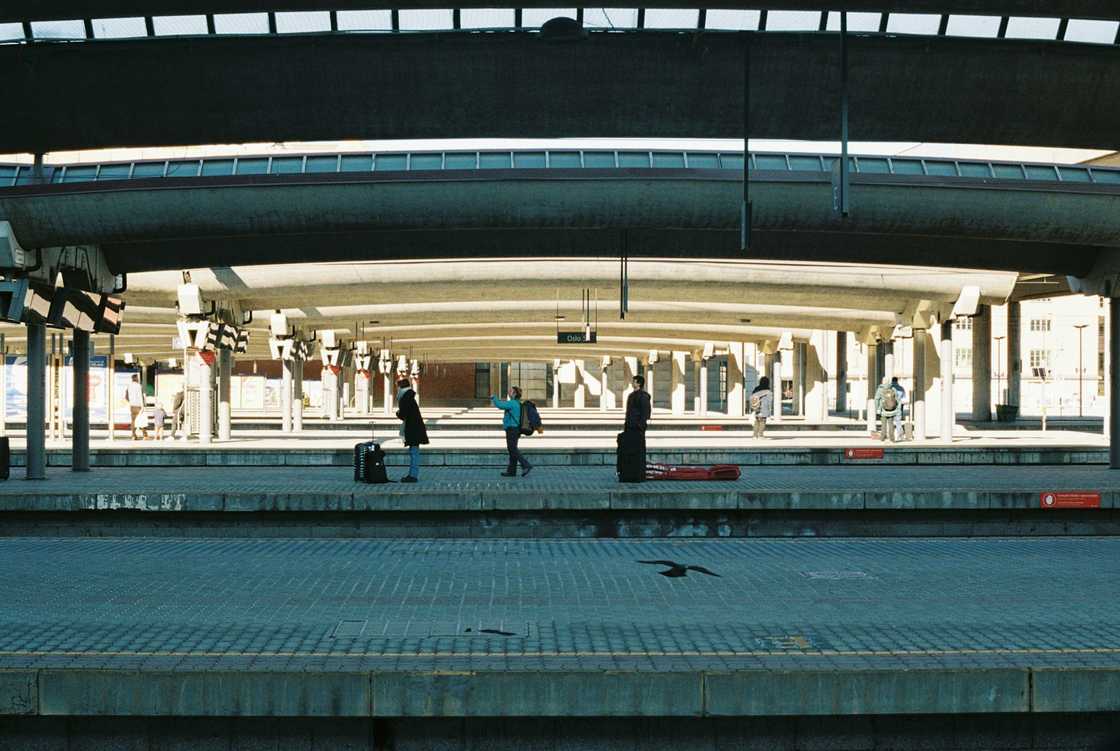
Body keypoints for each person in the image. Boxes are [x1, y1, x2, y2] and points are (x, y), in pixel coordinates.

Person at [492, 386, 532, 477]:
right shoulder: (518, 403)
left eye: (510, 391)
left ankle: (526, 465)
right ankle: (511, 471)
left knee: (512, 449)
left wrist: (494, 397)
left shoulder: (512, 403)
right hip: (516, 429)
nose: (509, 392)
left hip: (512, 429)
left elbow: (500, 405)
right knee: (512, 450)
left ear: (514, 394)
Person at [395, 377, 428, 483]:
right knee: (414, 452)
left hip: (413, 429)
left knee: (414, 453)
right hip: (415, 428)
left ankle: (413, 476)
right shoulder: (409, 396)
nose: (397, 390)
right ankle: (412, 474)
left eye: (397, 387)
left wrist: (398, 413)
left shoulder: (404, 397)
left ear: (400, 387)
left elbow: (403, 414)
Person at [874, 376, 901, 443]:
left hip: (883, 410)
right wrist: (897, 408)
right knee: (891, 424)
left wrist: (877, 408)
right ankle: (892, 439)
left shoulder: (880, 389)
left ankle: (882, 438)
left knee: (883, 424)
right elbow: (897, 399)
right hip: (892, 410)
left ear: (883, 381)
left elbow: (876, 399)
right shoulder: (893, 388)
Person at [125, 375, 147, 440]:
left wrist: (130, 401)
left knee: (133, 420)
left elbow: (126, 396)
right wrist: (143, 406)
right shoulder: (139, 386)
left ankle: (133, 435)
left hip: (132, 406)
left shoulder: (129, 386)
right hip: (138, 405)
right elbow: (140, 396)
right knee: (142, 419)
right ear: (137, 379)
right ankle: (145, 435)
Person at [890, 376, 907, 441]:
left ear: (892, 380)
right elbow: (904, 397)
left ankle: (890, 436)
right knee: (898, 422)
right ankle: (900, 435)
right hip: (898, 407)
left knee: (890, 421)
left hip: (889, 407)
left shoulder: (889, 388)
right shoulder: (901, 388)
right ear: (897, 381)